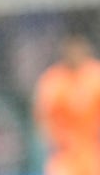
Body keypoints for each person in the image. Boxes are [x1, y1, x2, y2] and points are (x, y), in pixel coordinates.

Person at [34, 34, 100, 175]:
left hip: (93, 149)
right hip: (65, 153)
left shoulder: (95, 75)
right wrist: (55, 141)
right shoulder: (53, 80)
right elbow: (43, 117)